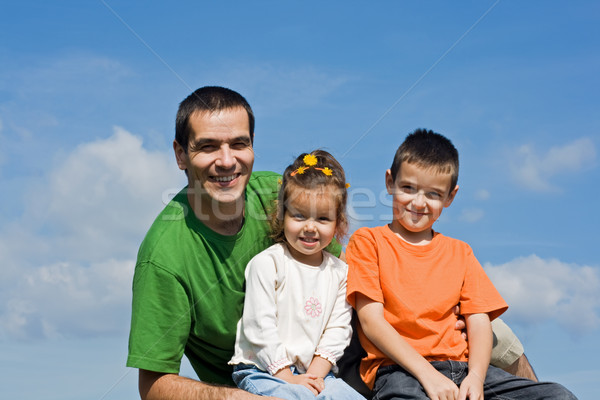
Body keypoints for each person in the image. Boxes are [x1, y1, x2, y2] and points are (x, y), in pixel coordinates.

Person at [126, 86, 536, 400]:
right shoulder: (164, 255)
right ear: (181, 155)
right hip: (265, 376)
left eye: (239, 143)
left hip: (333, 347)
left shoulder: (278, 190)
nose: (227, 160)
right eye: (207, 146)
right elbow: (153, 383)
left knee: (486, 326)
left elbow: (340, 278)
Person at [345, 129, 577, 399]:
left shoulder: (460, 252)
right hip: (400, 370)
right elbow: (372, 322)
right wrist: (427, 374)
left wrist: (476, 379)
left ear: (450, 197)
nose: (418, 202)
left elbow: (478, 321)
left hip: (465, 368)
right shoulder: (368, 241)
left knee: (557, 395)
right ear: (390, 182)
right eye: (408, 188)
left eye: (433, 194)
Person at [229, 150, 365, 399]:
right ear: (282, 214)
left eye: (323, 218)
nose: (310, 227)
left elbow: (338, 330)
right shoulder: (268, 264)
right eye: (299, 215)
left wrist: (314, 376)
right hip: (263, 371)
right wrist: (288, 377)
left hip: (317, 373)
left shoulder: (340, 273)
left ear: (338, 222)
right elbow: (259, 326)